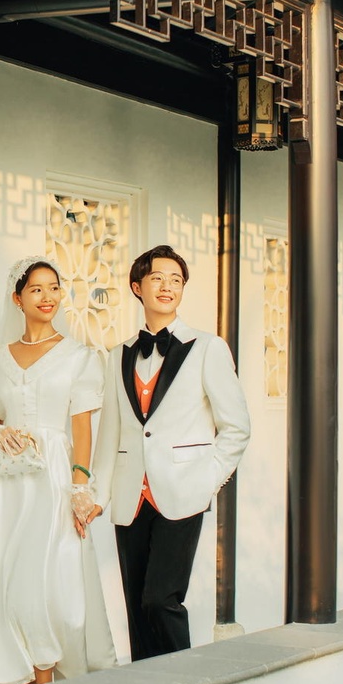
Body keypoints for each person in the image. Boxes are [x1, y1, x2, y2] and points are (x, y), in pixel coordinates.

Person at [0, 256, 117, 684]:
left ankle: (50, 674)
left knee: (50, 582)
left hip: (55, 477)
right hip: (8, 482)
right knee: (8, 579)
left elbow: (82, 428)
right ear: (18, 298)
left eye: (53, 288)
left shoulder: (78, 356)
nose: (48, 297)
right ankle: (31, 675)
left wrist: (80, 487)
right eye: (36, 289)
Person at [91, 245, 250, 660]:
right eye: (158, 278)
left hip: (183, 492)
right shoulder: (118, 355)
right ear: (137, 287)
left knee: (161, 600)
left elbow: (236, 427)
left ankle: (189, 682)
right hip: (131, 496)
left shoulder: (207, 347)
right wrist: (96, 496)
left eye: (176, 280)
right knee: (136, 610)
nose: (167, 287)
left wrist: (207, 479)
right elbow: (110, 434)